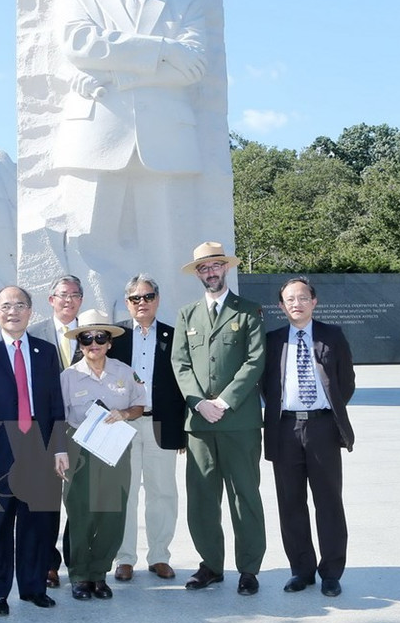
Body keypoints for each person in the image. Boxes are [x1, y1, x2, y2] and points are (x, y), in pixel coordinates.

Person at [47, 0, 208, 297]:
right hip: (95, 131)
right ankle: (93, 320)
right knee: (88, 239)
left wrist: (121, 75)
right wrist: (163, 48)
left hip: (167, 138)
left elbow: (195, 66)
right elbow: (81, 45)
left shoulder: (184, 4)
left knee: (167, 241)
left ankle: (167, 326)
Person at [171, 241, 266, 595]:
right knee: (202, 497)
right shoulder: (187, 315)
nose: (210, 272)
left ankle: (250, 569)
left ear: (226, 268)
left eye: (215, 266)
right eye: (203, 268)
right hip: (198, 424)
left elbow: (255, 361)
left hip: (238, 421)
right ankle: (210, 564)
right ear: (197, 273)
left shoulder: (248, 311)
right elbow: (180, 365)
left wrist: (223, 402)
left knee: (244, 495)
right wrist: (198, 402)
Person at [0, 286, 68, 616]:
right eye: (6, 306)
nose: (13, 311)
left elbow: (55, 404)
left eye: (20, 305)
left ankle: (33, 586)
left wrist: (59, 448)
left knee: (36, 521)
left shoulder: (46, 351)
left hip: (38, 446)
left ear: (30, 311)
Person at [263, 277, 355, 597]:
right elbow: (266, 385)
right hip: (284, 428)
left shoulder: (333, 335)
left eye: (302, 297)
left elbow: (346, 384)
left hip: (322, 428)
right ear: (281, 307)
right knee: (291, 503)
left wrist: (327, 412)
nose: (296, 303)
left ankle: (331, 572)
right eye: (289, 299)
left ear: (314, 302)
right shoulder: (272, 341)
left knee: (328, 501)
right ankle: (301, 570)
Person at [60, 309, 145, 601]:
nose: (93, 343)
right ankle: (79, 575)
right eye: (86, 338)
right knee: (81, 512)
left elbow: (139, 406)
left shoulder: (124, 371)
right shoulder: (68, 377)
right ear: (79, 343)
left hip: (115, 448)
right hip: (79, 448)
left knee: (112, 512)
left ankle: (99, 573)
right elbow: (58, 418)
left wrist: (124, 412)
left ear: (109, 342)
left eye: (100, 337)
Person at [107, 274, 186, 582]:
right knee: (124, 493)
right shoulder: (115, 336)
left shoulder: (173, 335)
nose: (142, 303)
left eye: (148, 297)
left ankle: (160, 557)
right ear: (127, 303)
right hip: (122, 425)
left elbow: (182, 384)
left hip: (161, 424)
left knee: (163, 492)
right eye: (135, 298)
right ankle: (124, 558)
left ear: (158, 299)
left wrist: (181, 431)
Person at [28, 274, 84, 587]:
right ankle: (48, 562)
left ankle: (78, 562)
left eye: (75, 295)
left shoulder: (92, 334)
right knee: (46, 500)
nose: (68, 300)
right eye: (62, 295)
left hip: (82, 429)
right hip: (46, 430)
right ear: (51, 300)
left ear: (81, 300)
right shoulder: (34, 334)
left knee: (78, 499)